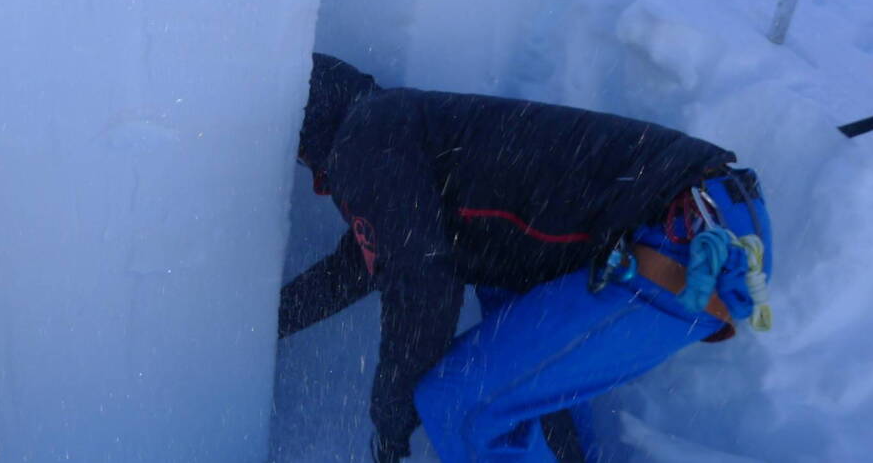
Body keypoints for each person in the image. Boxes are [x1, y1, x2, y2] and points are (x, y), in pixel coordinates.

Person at [279, 54, 773, 463]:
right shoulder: (400, 130)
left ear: (306, 129)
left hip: (684, 238)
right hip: (705, 219)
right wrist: (269, 321)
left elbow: (423, 286)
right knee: (507, 371)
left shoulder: (363, 136)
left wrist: (391, 415)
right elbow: (367, 265)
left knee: (458, 400)